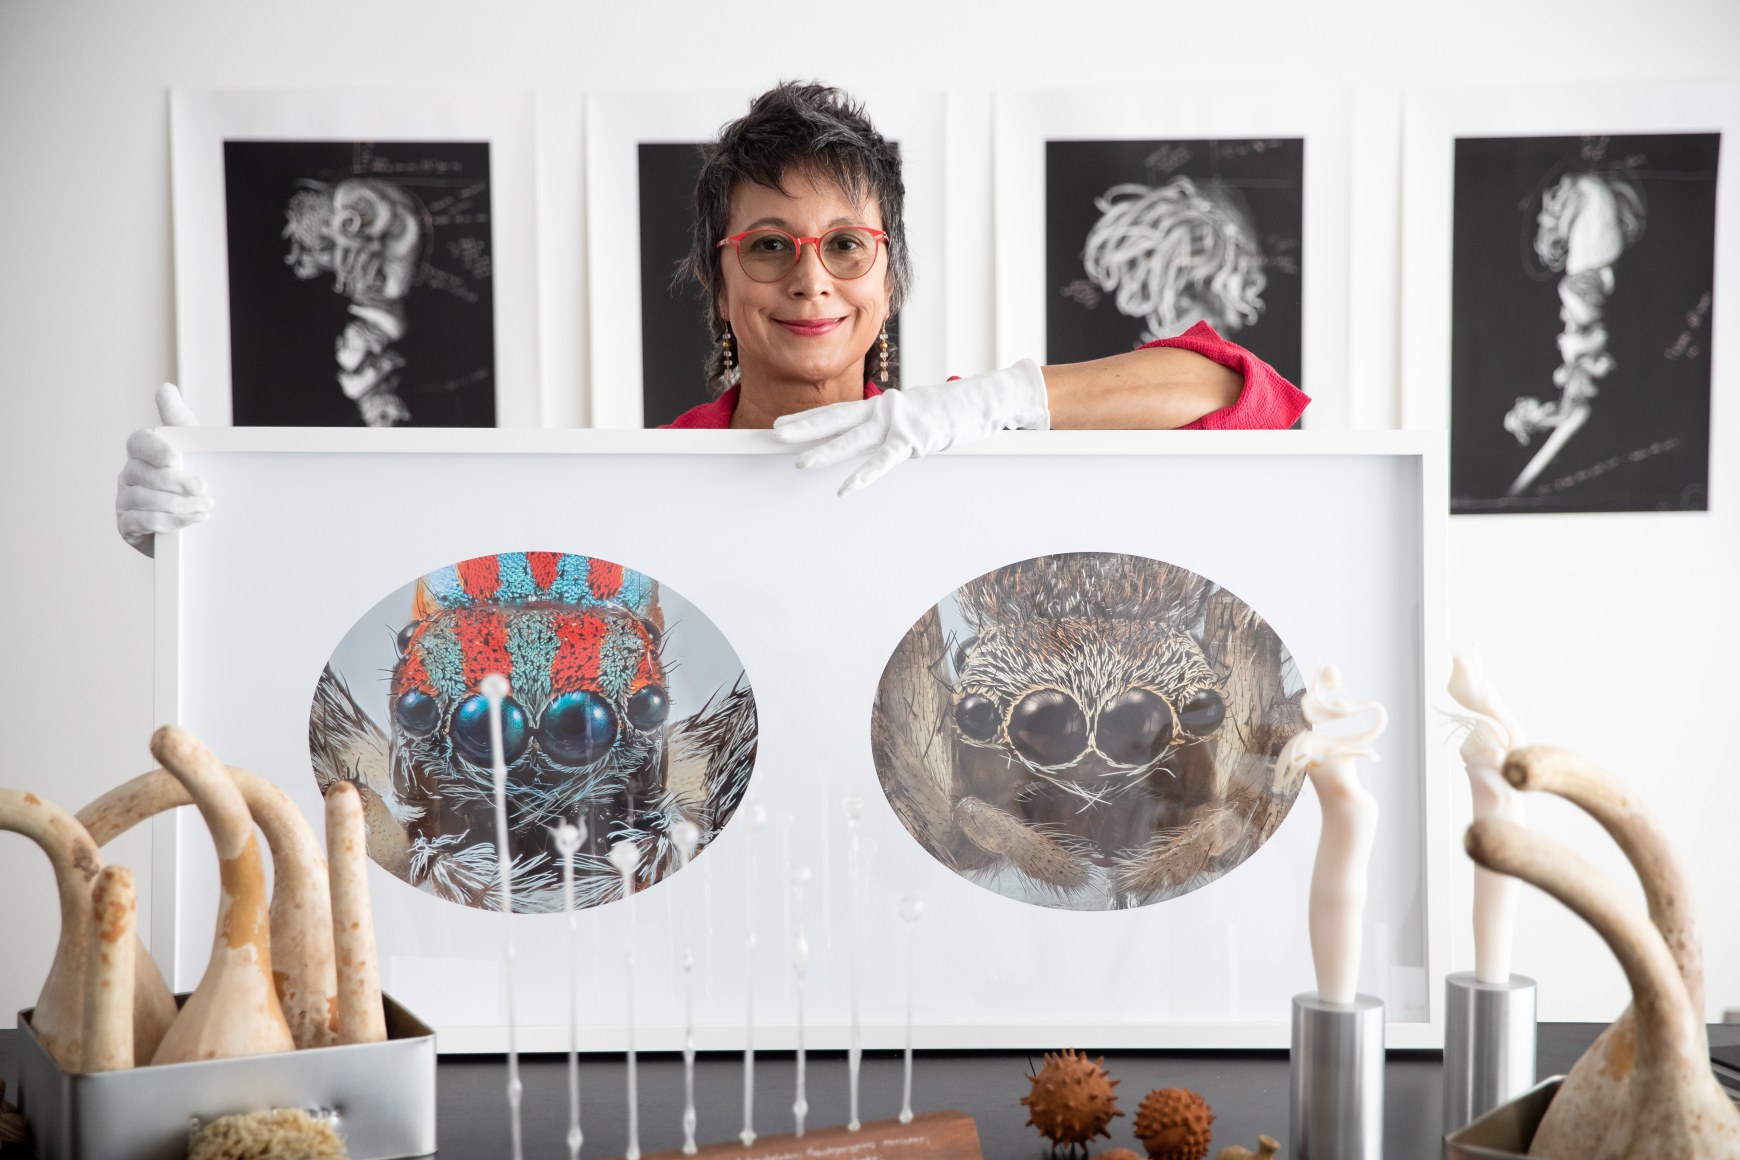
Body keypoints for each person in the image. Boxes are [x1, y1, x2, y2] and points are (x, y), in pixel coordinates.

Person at [116, 82, 1308, 551]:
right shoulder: (651, 474)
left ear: (890, 274)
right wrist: (210, 541)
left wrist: (983, 408)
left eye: (848, 245)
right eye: (771, 247)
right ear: (717, 275)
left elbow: (1244, 399)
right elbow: (440, 591)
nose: (812, 281)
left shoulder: (969, 457)